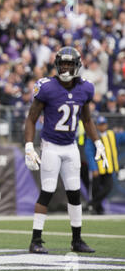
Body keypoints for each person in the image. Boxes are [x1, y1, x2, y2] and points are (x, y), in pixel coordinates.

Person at [24, 46, 109, 255]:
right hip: (51, 146)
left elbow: (87, 119)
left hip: (71, 146)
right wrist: (28, 146)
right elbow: (31, 118)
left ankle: (77, 240)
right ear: (56, 64)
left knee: (74, 193)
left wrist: (98, 142)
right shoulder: (46, 87)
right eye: (63, 63)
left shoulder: (85, 88)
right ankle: (36, 240)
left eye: (69, 64)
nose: (65, 67)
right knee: (47, 191)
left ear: (77, 65)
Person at [84, 116, 125, 215]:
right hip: (98, 167)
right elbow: (89, 152)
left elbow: (122, 137)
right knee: (95, 189)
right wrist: (93, 168)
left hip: (109, 167)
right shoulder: (93, 136)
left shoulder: (112, 135)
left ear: (106, 125)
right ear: (97, 126)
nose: (102, 126)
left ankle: (92, 204)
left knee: (108, 187)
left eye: (104, 124)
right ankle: (98, 209)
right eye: (100, 124)